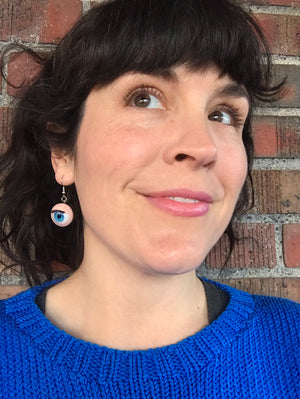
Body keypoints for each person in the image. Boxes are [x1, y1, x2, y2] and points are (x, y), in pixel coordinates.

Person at [0, 0, 299, 397]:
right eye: (144, 98)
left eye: (223, 113)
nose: (201, 146)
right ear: (63, 154)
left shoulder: (291, 346)